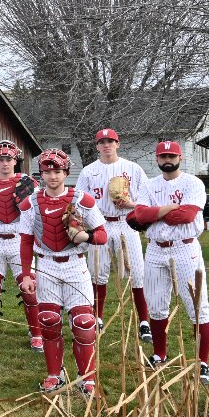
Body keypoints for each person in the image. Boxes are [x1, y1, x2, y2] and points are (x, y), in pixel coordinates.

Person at [17, 149, 107, 397]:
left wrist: (85, 236)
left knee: (84, 322)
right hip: (45, 264)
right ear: (41, 174)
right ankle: (54, 375)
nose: (52, 176)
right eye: (47, 172)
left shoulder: (81, 200)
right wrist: (26, 274)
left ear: (66, 173)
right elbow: (25, 240)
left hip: (75, 264)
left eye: (57, 171)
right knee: (48, 320)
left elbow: (102, 234)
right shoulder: (31, 203)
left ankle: (86, 377)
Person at [128, 141, 209, 384]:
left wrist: (155, 213)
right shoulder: (149, 184)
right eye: (163, 155)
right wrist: (168, 209)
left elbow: (185, 216)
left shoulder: (192, 183)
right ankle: (159, 355)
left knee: (197, 306)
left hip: (185, 248)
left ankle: (203, 362)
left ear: (180, 158)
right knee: (155, 306)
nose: (167, 159)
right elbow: (139, 216)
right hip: (155, 249)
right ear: (156, 159)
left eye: (171, 155)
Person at [76, 128, 151, 338]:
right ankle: (96, 318)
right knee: (97, 273)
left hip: (127, 224)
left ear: (118, 144)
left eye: (110, 141)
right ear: (97, 146)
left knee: (136, 274)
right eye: (102, 142)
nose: (106, 145)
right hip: (100, 224)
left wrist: (131, 204)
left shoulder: (133, 168)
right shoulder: (89, 171)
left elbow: (147, 200)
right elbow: (80, 202)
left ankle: (144, 321)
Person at [0, 141, 44, 350]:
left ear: (16, 160)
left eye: (9, 159)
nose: (5, 163)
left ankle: (36, 331)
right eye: (1, 159)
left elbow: (36, 210)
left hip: (19, 239)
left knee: (28, 288)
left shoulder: (27, 182)